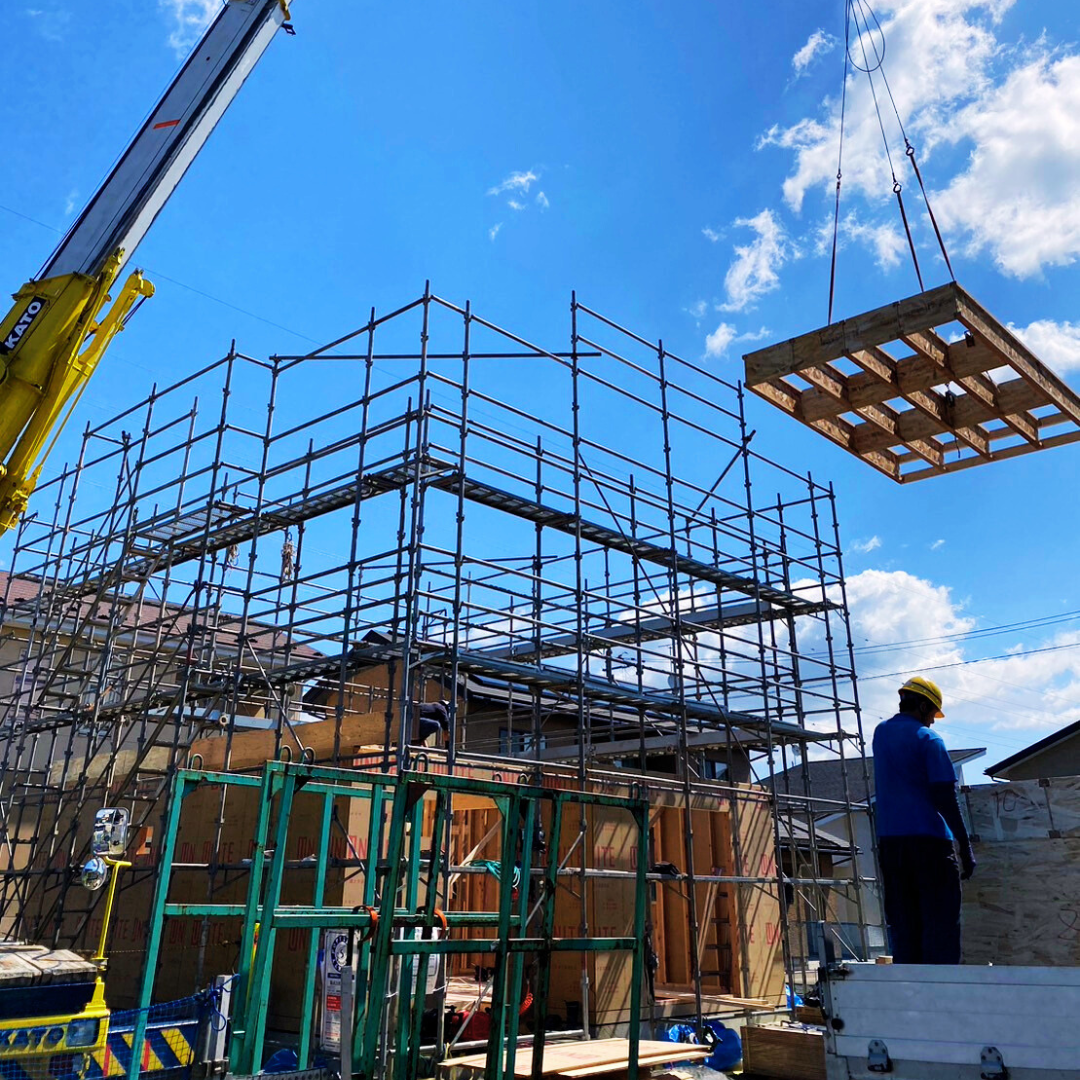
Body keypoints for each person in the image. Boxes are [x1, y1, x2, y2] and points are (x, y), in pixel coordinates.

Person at [872, 676, 976, 964]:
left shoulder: (880, 734)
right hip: (929, 845)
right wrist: (964, 846)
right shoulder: (928, 739)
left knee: (905, 926)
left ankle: (911, 998)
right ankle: (942, 998)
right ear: (921, 705)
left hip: (891, 846)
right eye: (932, 714)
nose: (932, 721)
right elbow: (945, 796)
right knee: (940, 926)